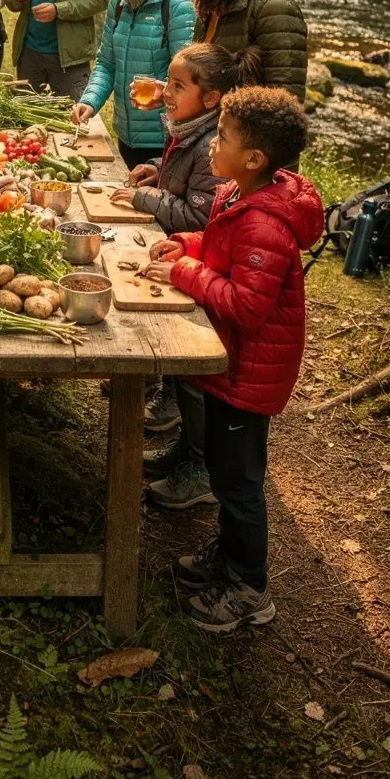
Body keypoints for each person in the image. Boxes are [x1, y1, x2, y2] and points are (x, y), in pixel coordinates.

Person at [146, 86, 323, 631]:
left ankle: (250, 588)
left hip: (247, 373)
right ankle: (227, 557)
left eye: (221, 136)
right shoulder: (240, 194)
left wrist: (186, 275)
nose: (212, 142)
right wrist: (191, 247)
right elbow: (222, 245)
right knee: (228, 474)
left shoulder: (265, 224)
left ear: (254, 158)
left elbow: (246, 306)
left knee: (238, 482)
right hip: (234, 366)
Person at [111, 43, 258, 506]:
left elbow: (198, 215)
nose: (165, 92)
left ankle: (200, 469)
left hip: (206, 276)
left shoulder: (212, 145)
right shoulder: (187, 130)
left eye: (177, 86)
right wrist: (156, 170)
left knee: (195, 382)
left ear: (210, 98)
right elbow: (180, 180)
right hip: (194, 264)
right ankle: (187, 450)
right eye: (168, 82)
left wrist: (144, 200)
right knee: (183, 381)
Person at [71, 0, 194, 167]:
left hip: (164, 140)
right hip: (126, 135)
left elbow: (190, 80)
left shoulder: (178, 4)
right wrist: (90, 101)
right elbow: (106, 63)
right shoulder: (118, 2)